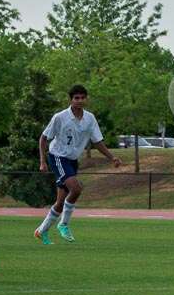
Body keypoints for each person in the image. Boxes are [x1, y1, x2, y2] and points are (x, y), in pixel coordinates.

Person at [34, 84, 122, 244]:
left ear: (86, 99)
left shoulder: (90, 118)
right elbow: (43, 138)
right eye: (76, 98)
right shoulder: (60, 117)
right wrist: (42, 161)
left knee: (60, 202)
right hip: (58, 157)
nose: (80, 100)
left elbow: (98, 141)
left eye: (83, 97)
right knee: (76, 188)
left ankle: (41, 231)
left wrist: (112, 157)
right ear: (71, 100)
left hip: (72, 160)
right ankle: (64, 224)